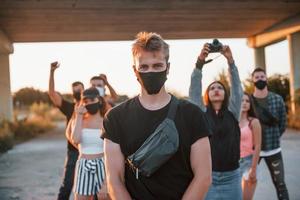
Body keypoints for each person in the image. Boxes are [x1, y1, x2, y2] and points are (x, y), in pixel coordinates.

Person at [102, 32, 212, 200]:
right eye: (144, 67)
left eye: (157, 66)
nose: (150, 71)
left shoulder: (192, 114)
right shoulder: (115, 117)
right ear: (135, 70)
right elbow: (114, 179)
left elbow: (203, 177)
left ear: (168, 68)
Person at [189, 42, 243, 200]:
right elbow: (194, 89)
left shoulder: (233, 112)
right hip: (207, 177)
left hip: (232, 177)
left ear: (225, 94)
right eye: (212, 88)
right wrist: (200, 62)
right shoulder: (201, 113)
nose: (216, 89)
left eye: (219, 87)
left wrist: (230, 61)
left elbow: (237, 88)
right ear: (207, 95)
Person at [251, 68, 289, 200]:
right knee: (246, 182)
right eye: (257, 77)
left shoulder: (277, 99)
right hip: (253, 151)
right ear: (253, 80)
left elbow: (283, 124)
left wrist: (273, 137)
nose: (260, 79)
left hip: (274, 150)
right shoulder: (248, 101)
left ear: (266, 79)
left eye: (262, 76)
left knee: (280, 184)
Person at [49, 61, 84, 200]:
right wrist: (52, 72)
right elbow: (52, 93)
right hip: (74, 152)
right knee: (67, 185)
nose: (77, 92)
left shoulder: (93, 108)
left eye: (79, 89)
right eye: (74, 90)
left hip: (91, 151)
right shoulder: (69, 107)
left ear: (84, 90)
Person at [66, 87, 108, 200]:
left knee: (104, 197)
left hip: (103, 164)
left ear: (99, 100)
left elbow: (112, 149)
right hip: (83, 164)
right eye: (85, 101)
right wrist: (78, 116)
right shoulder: (79, 120)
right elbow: (75, 140)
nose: (88, 103)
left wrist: (106, 182)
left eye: (92, 100)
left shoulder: (106, 120)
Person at [239, 92, 262, 200]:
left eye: (247, 101)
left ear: (250, 104)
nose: (244, 103)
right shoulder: (232, 121)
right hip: (233, 164)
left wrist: (253, 169)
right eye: (241, 100)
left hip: (248, 162)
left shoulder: (254, 122)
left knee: (246, 198)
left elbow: (258, 145)